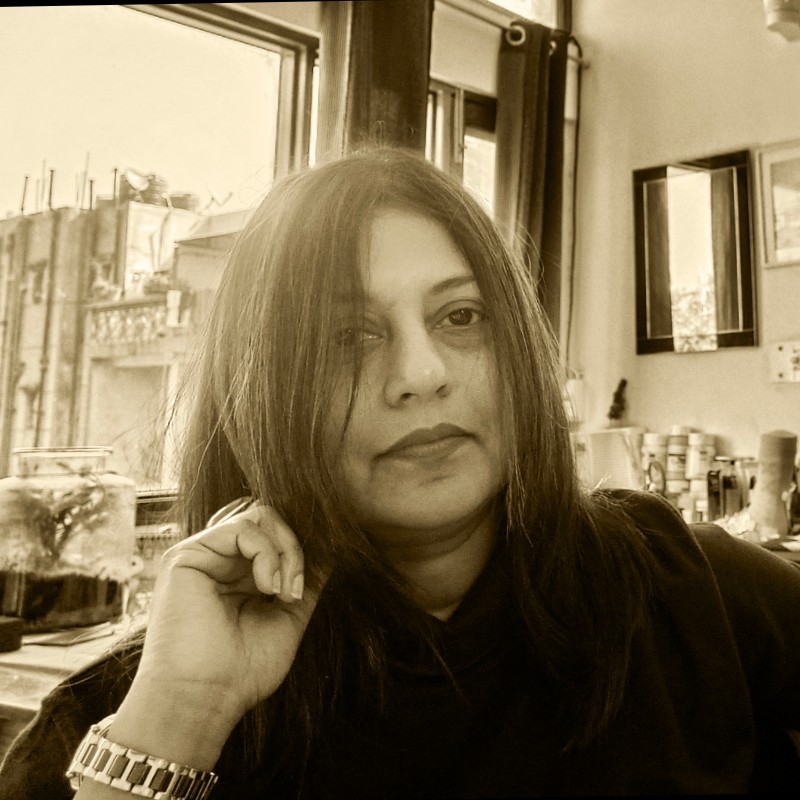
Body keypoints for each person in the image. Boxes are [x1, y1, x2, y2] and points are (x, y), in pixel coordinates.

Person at [2, 147, 800, 799]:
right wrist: (183, 715)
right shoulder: (133, 706)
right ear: (263, 390)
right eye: (348, 338)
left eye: (461, 316)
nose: (421, 374)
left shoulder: (689, 592)